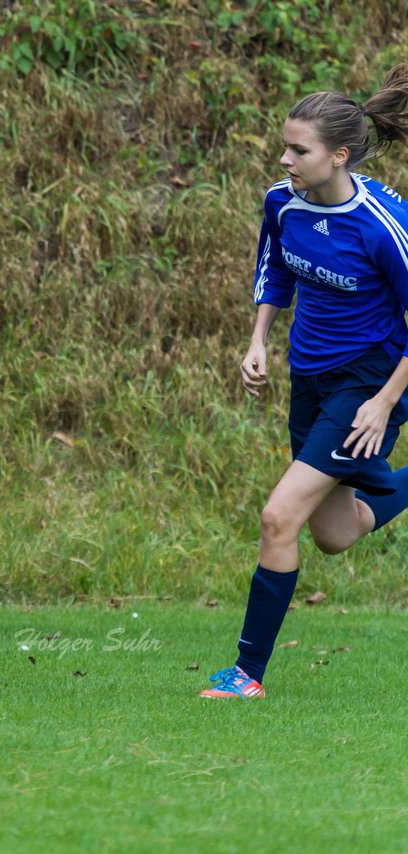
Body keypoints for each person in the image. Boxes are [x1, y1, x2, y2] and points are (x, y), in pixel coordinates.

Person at [202, 64, 408, 699]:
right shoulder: (281, 203)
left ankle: (246, 676)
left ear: (338, 155)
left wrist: (384, 402)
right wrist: (258, 340)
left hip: (369, 383)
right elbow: (275, 271)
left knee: (278, 517)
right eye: (285, 146)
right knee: (335, 532)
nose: (284, 159)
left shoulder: (384, 224)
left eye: (299, 149)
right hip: (311, 379)